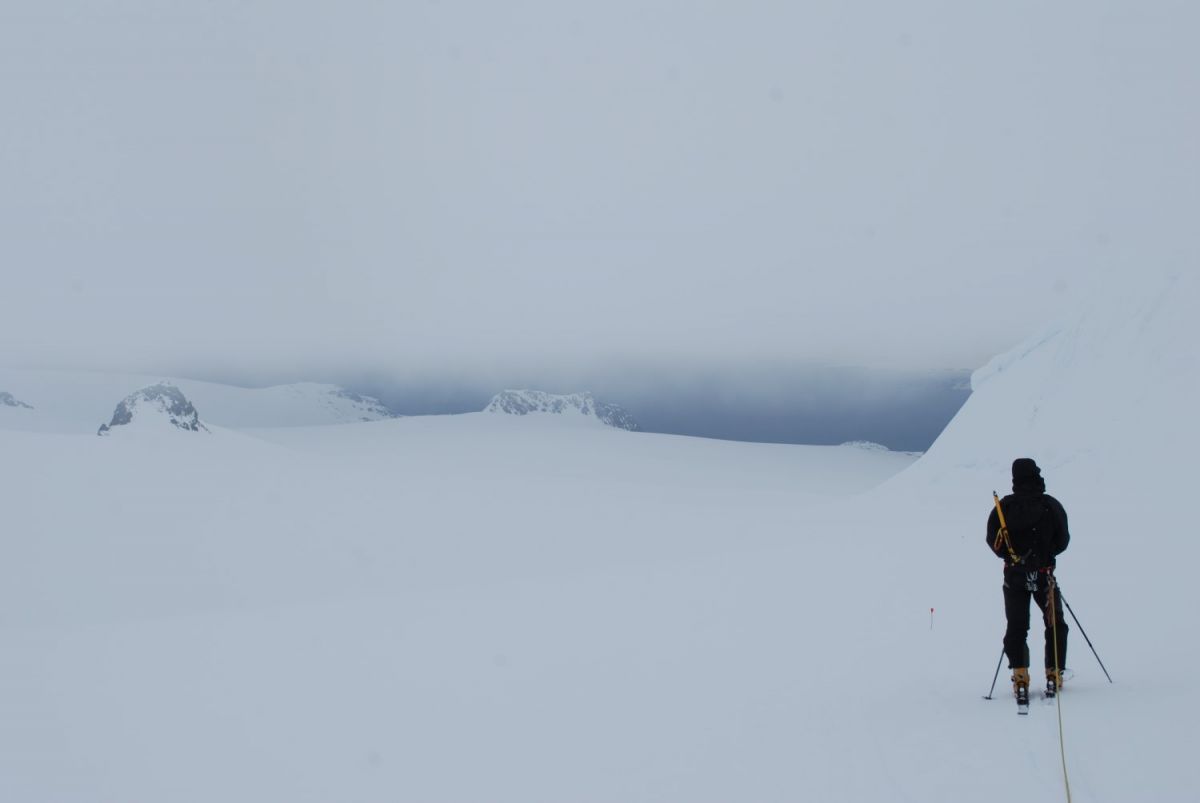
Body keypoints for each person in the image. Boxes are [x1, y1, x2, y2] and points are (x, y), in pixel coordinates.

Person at [986, 458, 1070, 699]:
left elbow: (993, 540)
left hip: (1014, 576)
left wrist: (1011, 558)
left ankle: (1020, 675)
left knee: (1017, 626)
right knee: (1055, 623)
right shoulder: (1050, 505)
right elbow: (1063, 540)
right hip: (1044, 575)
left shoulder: (1003, 508)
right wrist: (1046, 555)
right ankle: (1054, 673)